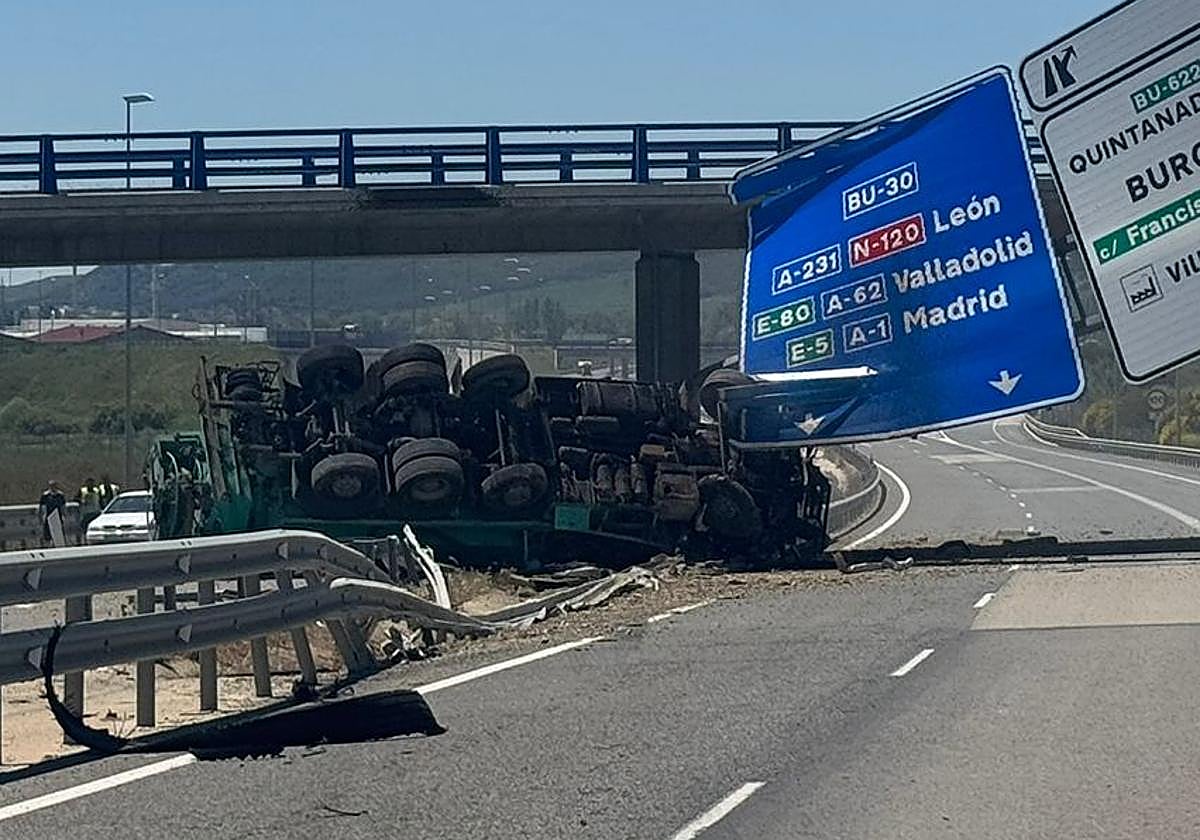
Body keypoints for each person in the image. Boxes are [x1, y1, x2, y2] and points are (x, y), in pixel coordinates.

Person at [38, 480, 67, 547]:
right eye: (51, 486)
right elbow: (42, 506)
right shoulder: (45, 495)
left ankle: (57, 545)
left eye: (54, 485)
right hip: (48, 517)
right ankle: (48, 546)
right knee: (47, 534)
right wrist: (41, 516)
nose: (53, 487)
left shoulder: (60, 495)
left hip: (58, 517)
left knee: (58, 533)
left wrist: (63, 515)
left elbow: (63, 506)